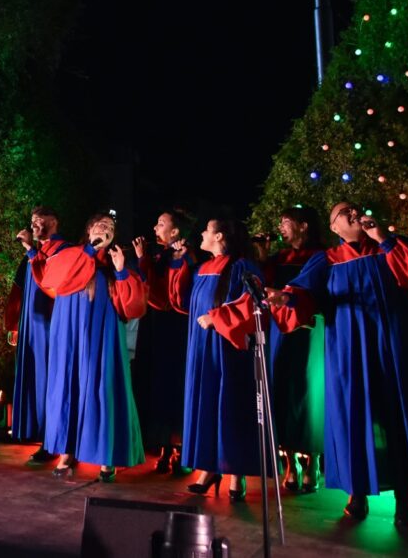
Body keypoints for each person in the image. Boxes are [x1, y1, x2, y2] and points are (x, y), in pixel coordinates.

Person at [264, 202, 408, 527]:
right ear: (334, 227)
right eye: (344, 213)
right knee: (355, 417)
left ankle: (404, 500)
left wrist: (385, 238)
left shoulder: (387, 248)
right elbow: (305, 294)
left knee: (396, 416)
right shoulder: (328, 260)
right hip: (349, 351)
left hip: (392, 348)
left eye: (355, 210)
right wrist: (286, 299)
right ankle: (357, 493)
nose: (354, 214)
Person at [39, 213, 146, 481]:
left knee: (102, 386)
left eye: (109, 227)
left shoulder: (116, 263)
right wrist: (89, 249)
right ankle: (67, 451)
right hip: (70, 332)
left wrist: (121, 271)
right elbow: (53, 279)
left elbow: (133, 306)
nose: (105, 229)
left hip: (103, 333)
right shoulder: (71, 253)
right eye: (100, 225)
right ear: (88, 229)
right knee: (69, 385)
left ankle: (105, 455)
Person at [166, 218, 263, 502]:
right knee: (206, 403)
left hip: (227, 347)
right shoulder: (204, 268)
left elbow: (251, 303)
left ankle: (235, 473)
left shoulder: (241, 267)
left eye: (206, 229)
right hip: (201, 347)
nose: (201, 233)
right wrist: (179, 263)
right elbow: (182, 301)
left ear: (219, 235)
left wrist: (217, 318)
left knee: (228, 404)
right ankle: (209, 467)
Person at [254, 207, 325, 493]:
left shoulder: (321, 256)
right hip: (279, 331)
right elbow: (262, 286)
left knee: (307, 393)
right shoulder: (281, 258)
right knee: (280, 388)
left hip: (308, 330)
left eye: (286, 222)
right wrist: (261, 256)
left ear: (303, 225)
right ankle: (288, 462)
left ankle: (312, 461)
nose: (281, 228)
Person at [5, 206, 68, 463]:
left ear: (54, 222)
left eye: (39, 220)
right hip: (31, 327)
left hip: (50, 325)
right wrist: (13, 324)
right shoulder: (31, 254)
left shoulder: (61, 250)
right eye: (31, 220)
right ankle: (39, 436)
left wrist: (32, 251)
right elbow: (17, 291)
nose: (33, 224)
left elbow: (52, 282)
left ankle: (53, 442)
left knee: (50, 382)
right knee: (34, 381)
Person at [133, 209, 193, 474]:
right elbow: (147, 287)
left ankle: (182, 449)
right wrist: (141, 259)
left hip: (177, 327)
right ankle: (164, 446)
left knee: (178, 385)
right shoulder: (156, 254)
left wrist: (179, 261)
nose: (155, 227)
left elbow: (176, 295)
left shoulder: (190, 255)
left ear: (175, 231)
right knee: (157, 384)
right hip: (156, 325)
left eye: (161, 223)